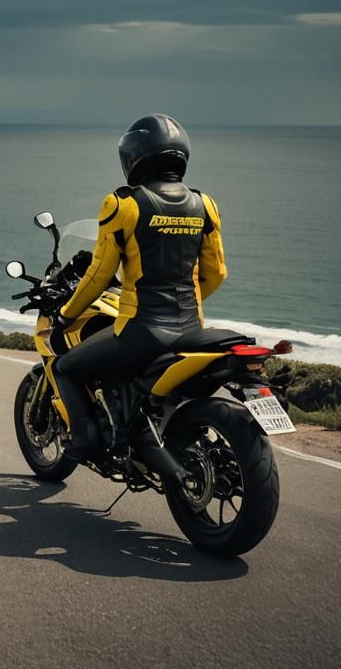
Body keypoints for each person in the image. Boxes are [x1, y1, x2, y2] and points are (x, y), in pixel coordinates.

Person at [53, 114, 227, 458]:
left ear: (135, 157)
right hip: (191, 329)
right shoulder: (204, 204)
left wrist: (64, 314)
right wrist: (186, 301)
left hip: (141, 333)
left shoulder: (124, 204)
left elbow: (99, 276)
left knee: (65, 367)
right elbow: (217, 273)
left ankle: (84, 443)